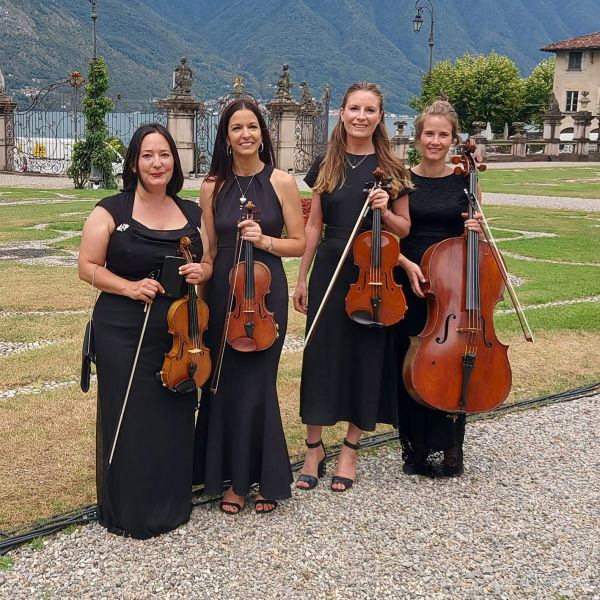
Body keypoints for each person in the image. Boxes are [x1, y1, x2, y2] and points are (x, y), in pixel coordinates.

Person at [78, 123, 211, 539]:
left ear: (175, 161)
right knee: (129, 416)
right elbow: (87, 267)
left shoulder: (191, 213)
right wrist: (130, 286)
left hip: (177, 335)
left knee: (172, 412)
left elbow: (207, 265)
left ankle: (170, 503)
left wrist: (199, 269)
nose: (157, 163)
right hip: (121, 328)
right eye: (148, 155)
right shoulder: (110, 210)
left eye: (165, 154)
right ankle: (128, 510)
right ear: (134, 163)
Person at [292, 82, 412, 492]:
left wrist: (385, 210)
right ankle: (313, 447)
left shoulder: (393, 169)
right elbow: (313, 225)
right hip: (330, 265)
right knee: (321, 357)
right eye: (354, 108)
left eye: (370, 110)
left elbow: (404, 227)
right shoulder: (327, 162)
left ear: (380, 116)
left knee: (365, 356)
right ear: (341, 113)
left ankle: (349, 450)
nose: (362, 116)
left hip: (373, 272)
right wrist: (302, 276)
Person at [192, 99, 305, 514]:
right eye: (237, 128)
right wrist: (199, 282)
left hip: (265, 293)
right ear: (225, 137)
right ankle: (229, 478)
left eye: (252, 126)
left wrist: (264, 241)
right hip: (223, 294)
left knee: (257, 384)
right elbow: (209, 248)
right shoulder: (211, 186)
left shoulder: (282, 182)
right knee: (222, 384)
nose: (245, 134)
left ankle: (261, 479)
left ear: (263, 133)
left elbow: (299, 242)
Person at [396, 100, 482, 477]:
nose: (435, 140)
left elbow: (475, 227)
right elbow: (388, 236)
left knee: (451, 358)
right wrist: (404, 264)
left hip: (452, 282)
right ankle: (414, 447)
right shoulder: (401, 179)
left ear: (453, 139)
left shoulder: (465, 180)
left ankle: (450, 445)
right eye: (429, 133)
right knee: (412, 360)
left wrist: (477, 227)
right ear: (418, 137)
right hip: (411, 277)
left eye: (442, 134)